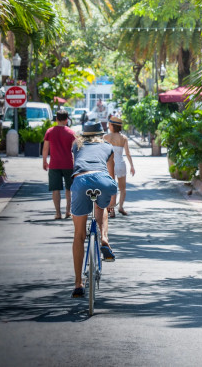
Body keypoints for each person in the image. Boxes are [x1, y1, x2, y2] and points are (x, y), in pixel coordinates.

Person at [69, 121, 118, 298]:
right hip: (103, 179)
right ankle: (104, 238)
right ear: (101, 133)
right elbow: (111, 174)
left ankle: (78, 284)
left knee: (79, 235)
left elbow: (76, 165)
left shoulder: (76, 144)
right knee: (102, 205)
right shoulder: (108, 146)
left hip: (81, 181)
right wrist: (112, 200)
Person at [42, 110, 76, 219]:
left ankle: (57, 213)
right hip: (68, 164)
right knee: (69, 188)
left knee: (55, 189)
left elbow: (45, 148)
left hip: (54, 164)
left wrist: (44, 161)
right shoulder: (71, 133)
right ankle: (68, 211)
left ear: (56, 119)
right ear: (67, 120)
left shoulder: (49, 131)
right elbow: (76, 150)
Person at [104, 115, 136, 216]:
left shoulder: (106, 137)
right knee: (122, 188)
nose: (108, 126)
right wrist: (132, 166)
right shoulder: (124, 138)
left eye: (109, 124)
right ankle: (121, 207)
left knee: (111, 188)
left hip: (110, 165)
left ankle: (111, 210)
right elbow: (128, 153)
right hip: (121, 164)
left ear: (112, 126)